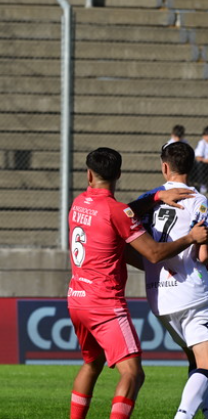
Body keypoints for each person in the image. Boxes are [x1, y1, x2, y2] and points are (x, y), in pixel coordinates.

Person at [67, 147, 208, 419]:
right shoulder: (117, 212)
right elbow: (154, 253)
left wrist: (155, 196)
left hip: (76, 297)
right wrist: (190, 238)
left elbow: (123, 220)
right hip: (105, 303)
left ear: (88, 174)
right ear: (119, 174)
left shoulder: (78, 204)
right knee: (132, 373)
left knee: (91, 363)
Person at [136, 142, 208, 419]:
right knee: (205, 363)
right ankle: (183, 416)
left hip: (159, 298)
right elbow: (203, 255)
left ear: (164, 167)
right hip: (192, 293)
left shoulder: (148, 201)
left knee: (196, 359)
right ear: (193, 167)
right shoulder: (199, 202)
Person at [193, 126, 208, 193]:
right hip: (204, 164)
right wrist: (205, 160)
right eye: (205, 135)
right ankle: (203, 184)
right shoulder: (202, 143)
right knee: (200, 164)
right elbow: (198, 157)